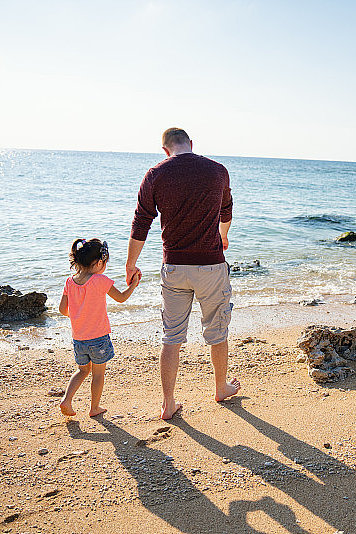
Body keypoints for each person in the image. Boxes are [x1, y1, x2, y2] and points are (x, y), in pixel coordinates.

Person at [125, 127, 239, 420]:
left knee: (172, 336)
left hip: (174, 267)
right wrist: (222, 235)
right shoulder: (218, 171)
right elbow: (227, 210)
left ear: (165, 150)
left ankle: (167, 403)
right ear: (191, 144)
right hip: (212, 266)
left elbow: (141, 222)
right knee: (217, 330)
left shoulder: (156, 174)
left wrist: (130, 264)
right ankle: (220, 388)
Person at [58, 238, 140, 417]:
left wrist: (78, 316)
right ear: (98, 262)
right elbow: (121, 298)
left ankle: (67, 399)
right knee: (98, 374)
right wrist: (133, 284)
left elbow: (62, 309)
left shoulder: (69, 282)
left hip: (78, 338)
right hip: (98, 338)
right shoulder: (100, 280)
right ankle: (94, 408)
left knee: (82, 370)